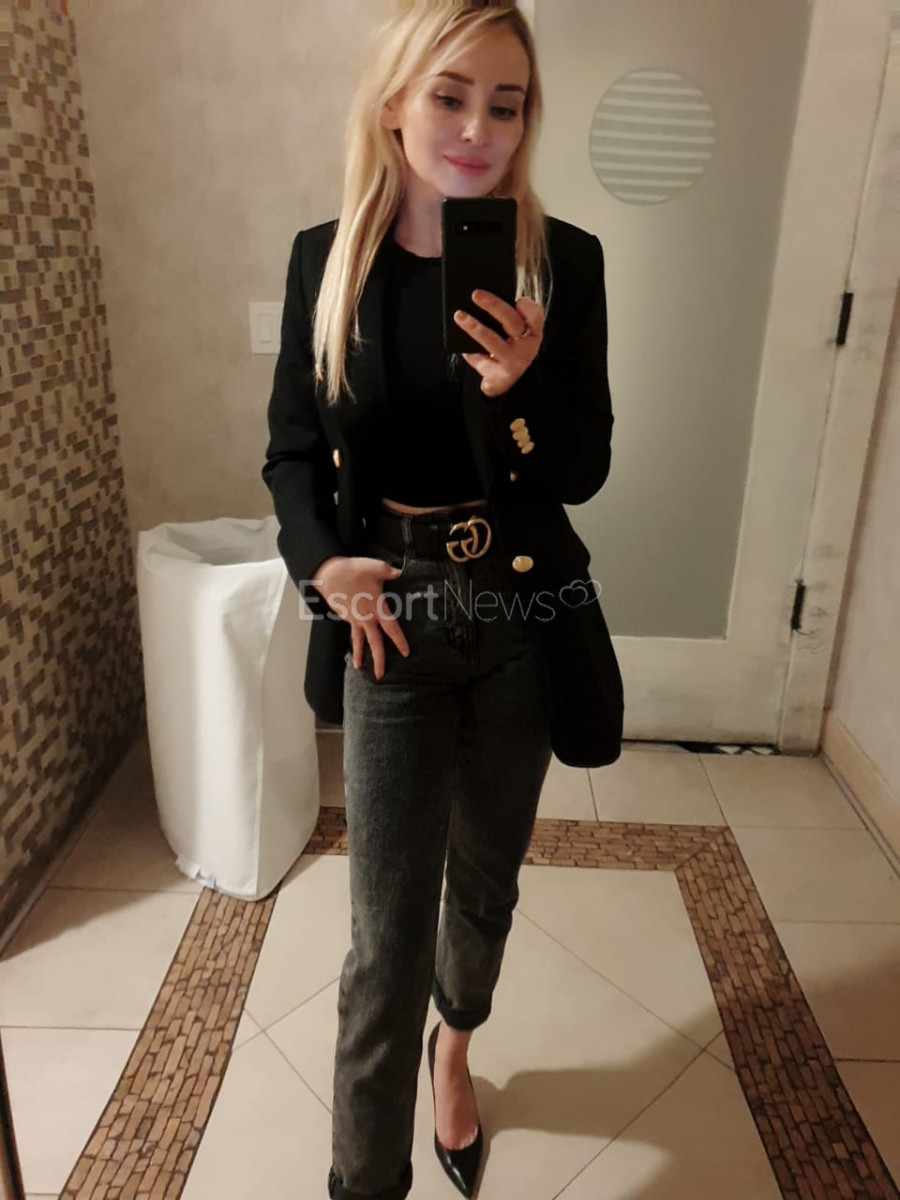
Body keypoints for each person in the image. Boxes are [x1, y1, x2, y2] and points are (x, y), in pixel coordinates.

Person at [262, 3, 623, 1196]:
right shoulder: (328, 260)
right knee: (384, 936)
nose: (477, 129)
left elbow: (580, 468)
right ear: (394, 105)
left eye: (505, 105)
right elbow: (291, 452)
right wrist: (321, 564)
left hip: (517, 615)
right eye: (451, 95)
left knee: (485, 884)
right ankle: (364, 1182)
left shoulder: (562, 263)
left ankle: (454, 1048)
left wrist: (518, 391)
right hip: (389, 622)